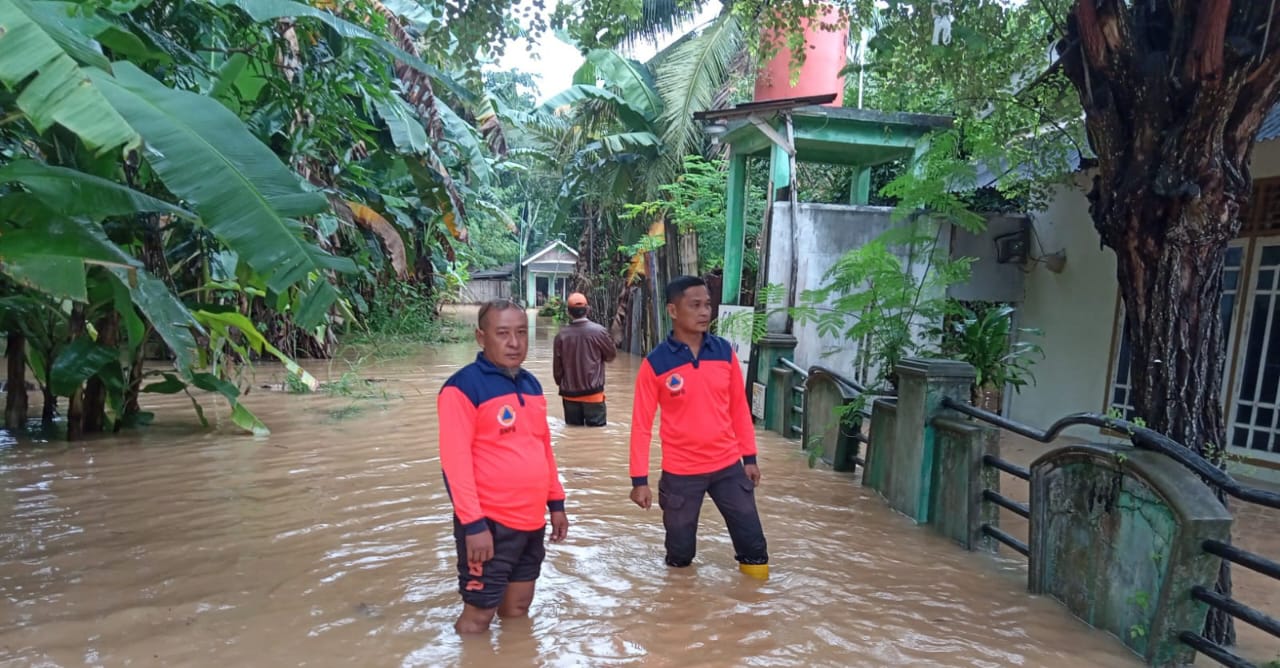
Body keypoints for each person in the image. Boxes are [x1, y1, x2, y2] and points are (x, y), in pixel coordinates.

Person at [437, 299, 570, 633]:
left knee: (517, 609)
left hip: (531, 522)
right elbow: (455, 464)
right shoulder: (462, 388)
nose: (514, 343)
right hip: (490, 525)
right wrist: (473, 526)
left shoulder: (531, 385)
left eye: (522, 333)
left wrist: (557, 504)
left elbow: (542, 448)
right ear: (481, 337)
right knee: (478, 618)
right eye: (503, 334)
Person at [627, 275, 769, 579]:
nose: (705, 312)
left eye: (707, 305)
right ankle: (680, 617)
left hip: (728, 466)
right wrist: (639, 480)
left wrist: (750, 457)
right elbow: (641, 426)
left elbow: (739, 409)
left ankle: (757, 609)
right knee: (680, 554)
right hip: (681, 472)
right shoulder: (655, 364)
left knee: (754, 545)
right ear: (673, 311)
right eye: (695, 305)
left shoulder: (724, 353)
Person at [553, 292, 618, 427]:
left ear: (568, 312)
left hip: (569, 395)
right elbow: (611, 355)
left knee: (572, 433)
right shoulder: (599, 332)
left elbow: (557, 371)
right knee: (596, 437)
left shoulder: (561, 336)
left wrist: (562, 383)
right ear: (587, 309)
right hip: (593, 395)